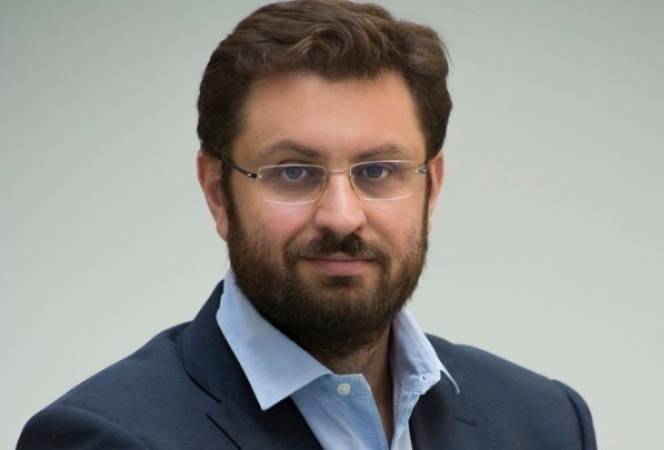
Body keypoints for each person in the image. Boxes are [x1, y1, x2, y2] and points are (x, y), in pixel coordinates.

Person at [17, 1, 596, 449]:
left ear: (431, 186)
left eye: (378, 171)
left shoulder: (545, 423)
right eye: (293, 172)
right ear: (218, 192)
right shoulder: (106, 437)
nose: (341, 215)